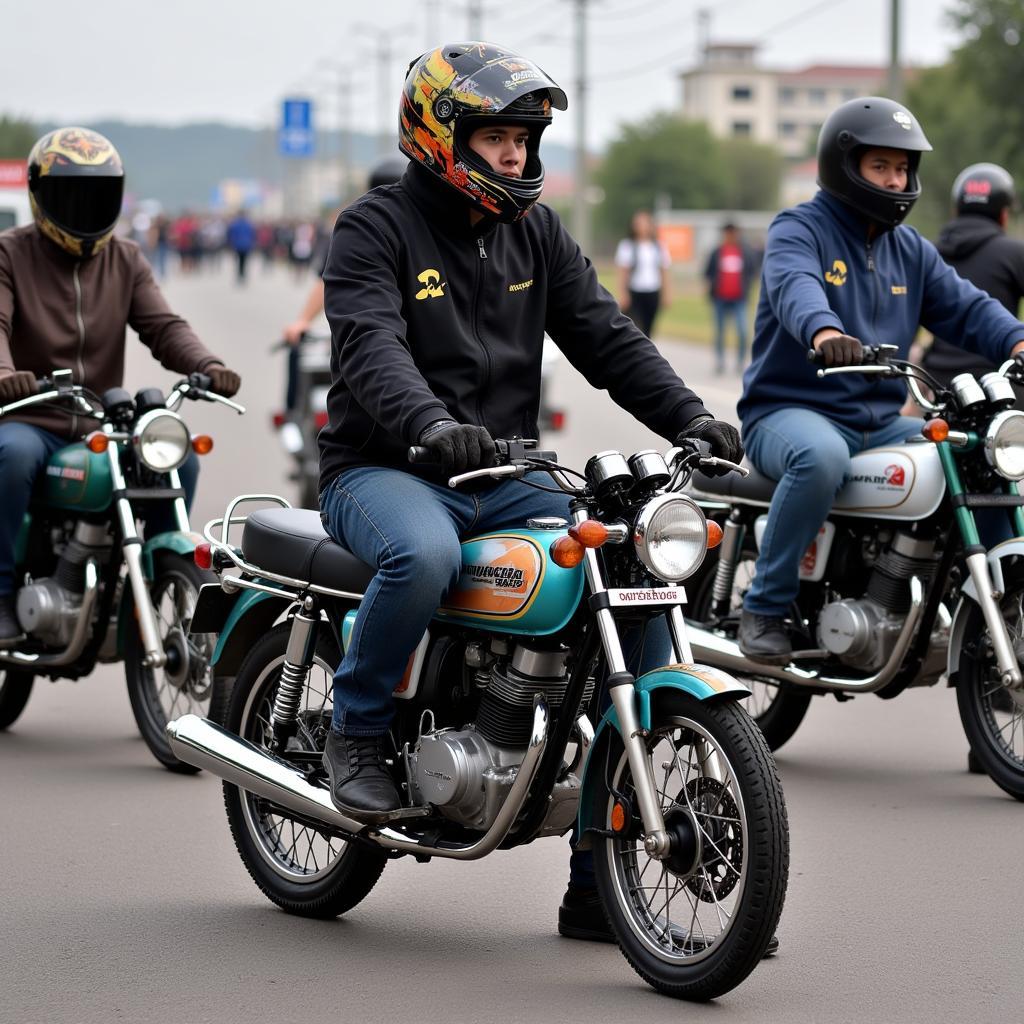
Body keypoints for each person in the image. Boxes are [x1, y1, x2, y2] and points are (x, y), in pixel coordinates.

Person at [317, 42, 742, 942]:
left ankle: (599, 879)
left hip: (506, 478)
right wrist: (428, 424)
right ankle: (355, 731)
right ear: (440, 136)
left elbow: (605, 335)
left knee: (622, 560)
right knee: (423, 556)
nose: (515, 155)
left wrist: (691, 418)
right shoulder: (374, 227)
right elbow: (370, 345)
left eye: (524, 138)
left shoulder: (535, 233)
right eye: (496, 137)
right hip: (385, 470)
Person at [734, 97, 1024, 664]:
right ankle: (764, 607)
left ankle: (1000, 602)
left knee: (978, 454)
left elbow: (967, 307)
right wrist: (823, 332)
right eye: (881, 167)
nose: (896, 180)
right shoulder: (800, 229)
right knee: (819, 458)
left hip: (882, 423)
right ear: (846, 166)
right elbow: (796, 287)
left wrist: (1016, 340)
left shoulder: (910, 250)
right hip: (789, 413)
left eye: (903, 169)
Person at [0, 126, 241, 644]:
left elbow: (162, 326)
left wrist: (206, 363)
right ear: (41, 197)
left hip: (97, 420)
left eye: (98, 193)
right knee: (12, 457)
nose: (86, 207)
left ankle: (150, 581)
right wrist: (4, 376)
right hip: (29, 415)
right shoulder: (10, 253)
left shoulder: (125, 258)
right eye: (71, 194)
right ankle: (1, 594)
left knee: (180, 457)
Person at [280, 157, 408, 412]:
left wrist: (303, 321)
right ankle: (292, 415)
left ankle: (291, 412)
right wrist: (303, 320)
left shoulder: (360, 225)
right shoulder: (361, 226)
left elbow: (325, 280)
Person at [919, 163, 1024, 390]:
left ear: (956, 209)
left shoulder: (928, 253)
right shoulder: (1015, 254)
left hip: (938, 384)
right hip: (1000, 384)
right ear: (1004, 214)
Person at [704, 222, 756, 374]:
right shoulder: (717, 252)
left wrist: (747, 286)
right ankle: (720, 361)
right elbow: (708, 272)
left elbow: (752, 271)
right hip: (720, 298)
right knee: (720, 331)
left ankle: (740, 362)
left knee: (742, 331)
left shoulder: (744, 252)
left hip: (739, 299)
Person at [614, 209, 671, 338]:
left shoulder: (659, 246)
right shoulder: (627, 246)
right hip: (635, 291)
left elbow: (664, 271)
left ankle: (645, 353)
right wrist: (623, 294)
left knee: (648, 328)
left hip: (652, 291)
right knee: (635, 328)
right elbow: (623, 272)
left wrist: (666, 294)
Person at [226, 209, 256, 285]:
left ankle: (239, 275)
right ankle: (242, 275)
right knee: (244, 261)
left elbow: (231, 235)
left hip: (237, 245)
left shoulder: (234, 224)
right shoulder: (249, 224)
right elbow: (252, 235)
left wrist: (231, 244)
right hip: (246, 245)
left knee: (238, 261)